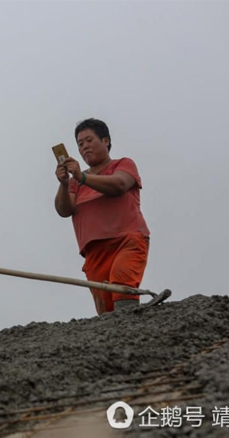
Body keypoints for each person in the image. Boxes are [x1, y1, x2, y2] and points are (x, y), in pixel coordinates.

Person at [54, 118, 150, 316]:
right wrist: (64, 183)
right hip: (94, 251)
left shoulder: (122, 164)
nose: (84, 147)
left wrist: (82, 177)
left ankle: (131, 323)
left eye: (89, 140)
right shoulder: (75, 182)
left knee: (122, 284)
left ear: (105, 141)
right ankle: (119, 331)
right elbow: (64, 210)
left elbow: (119, 185)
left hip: (126, 240)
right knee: (105, 307)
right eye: (80, 144)